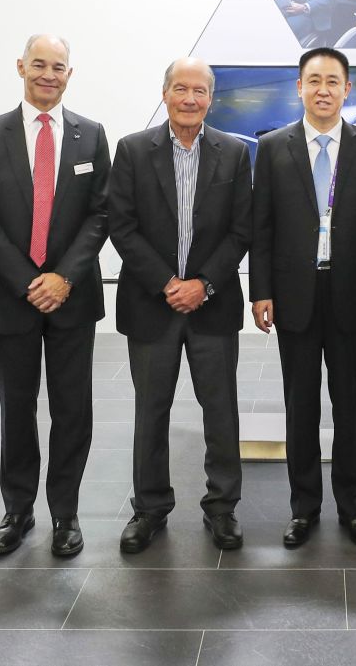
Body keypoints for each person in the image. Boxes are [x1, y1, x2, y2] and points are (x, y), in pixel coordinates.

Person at [0, 34, 110, 559]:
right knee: (17, 408)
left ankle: (66, 513)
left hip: (72, 295)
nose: (49, 74)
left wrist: (63, 277)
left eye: (59, 66)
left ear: (70, 73)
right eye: (39, 64)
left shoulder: (91, 134)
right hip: (12, 295)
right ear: (20, 66)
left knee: (73, 409)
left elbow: (101, 212)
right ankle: (18, 510)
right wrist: (29, 279)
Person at [249, 47, 356, 548]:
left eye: (333, 81)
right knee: (301, 406)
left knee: (350, 406)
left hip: (352, 294)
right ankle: (303, 508)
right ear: (299, 87)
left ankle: (353, 509)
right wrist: (261, 291)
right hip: (295, 294)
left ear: (347, 89)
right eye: (314, 80)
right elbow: (262, 227)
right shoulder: (273, 146)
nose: (323, 90)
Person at [108, 57, 252, 553]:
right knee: (151, 411)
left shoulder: (234, 152)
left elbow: (241, 230)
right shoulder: (132, 150)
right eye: (180, 89)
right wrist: (168, 282)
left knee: (221, 411)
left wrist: (203, 284)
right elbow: (121, 225)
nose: (190, 99)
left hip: (213, 305)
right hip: (152, 304)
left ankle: (222, 507)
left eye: (199, 91)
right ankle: (149, 508)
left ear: (211, 98)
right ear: (165, 92)